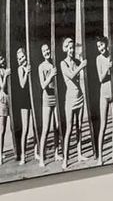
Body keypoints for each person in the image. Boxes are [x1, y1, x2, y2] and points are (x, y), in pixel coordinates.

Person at [59, 37, 85, 167]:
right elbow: (71, 75)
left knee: (79, 127)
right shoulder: (63, 63)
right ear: (65, 49)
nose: (71, 50)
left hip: (80, 97)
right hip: (70, 99)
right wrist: (81, 66)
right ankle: (65, 159)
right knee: (69, 129)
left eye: (72, 47)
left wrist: (81, 63)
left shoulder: (76, 61)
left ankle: (79, 154)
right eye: (69, 48)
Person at [36, 41, 59, 164]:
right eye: (44, 51)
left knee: (57, 127)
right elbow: (43, 85)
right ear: (42, 53)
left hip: (56, 98)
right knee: (46, 128)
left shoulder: (54, 64)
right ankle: (41, 157)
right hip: (46, 99)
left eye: (48, 50)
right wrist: (51, 75)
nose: (47, 52)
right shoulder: (41, 66)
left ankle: (56, 153)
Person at [92, 37, 113, 160]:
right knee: (103, 125)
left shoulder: (111, 56)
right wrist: (108, 67)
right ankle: (100, 157)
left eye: (101, 45)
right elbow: (100, 78)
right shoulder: (98, 59)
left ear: (106, 44)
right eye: (98, 46)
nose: (100, 48)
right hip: (104, 95)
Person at [11, 45, 32, 159]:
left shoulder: (29, 65)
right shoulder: (20, 69)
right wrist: (26, 72)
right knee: (25, 128)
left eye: (22, 57)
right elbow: (22, 84)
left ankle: (36, 152)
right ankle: (23, 155)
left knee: (34, 126)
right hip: (23, 100)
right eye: (19, 58)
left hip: (32, 97)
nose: (21, 60)